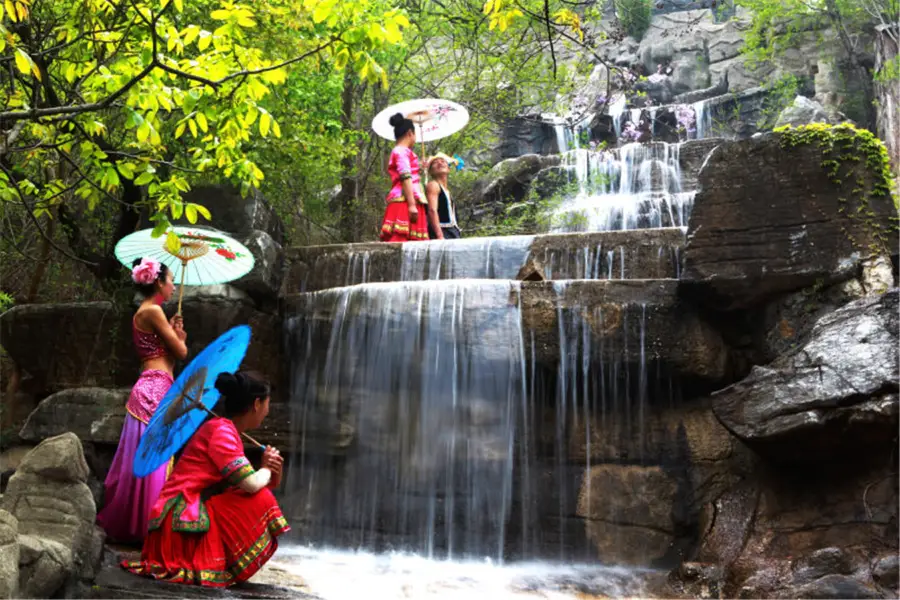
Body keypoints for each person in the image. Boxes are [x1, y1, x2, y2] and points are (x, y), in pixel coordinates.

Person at [122, 371, 289, 587]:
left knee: (255, 496)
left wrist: (272, 468)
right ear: (257, 404)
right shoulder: (222, 433)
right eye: (268, 404)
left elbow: (256, 482)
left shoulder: (225, 430)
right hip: (179, 521)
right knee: (260, 498)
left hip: (188, 513)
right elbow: (251, 484)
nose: (268, 411)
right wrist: (266, 467)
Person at [97, 257, 189, 544]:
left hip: (154, 385)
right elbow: (181, 353)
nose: (174, 286)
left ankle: (143, 522)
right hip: (156, 389)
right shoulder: (153, 312)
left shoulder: (150, 312)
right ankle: (151, 526)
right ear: (159, 283)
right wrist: (180, 337)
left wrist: (172, 332)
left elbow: (165, 352)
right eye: (171, 280)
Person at [380, 112, 429, 242]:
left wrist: (420, 165)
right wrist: (412, 205)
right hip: (406, 200)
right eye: (415, 134)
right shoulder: (401, 151)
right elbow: (405, 176)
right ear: (410, 133)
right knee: (401, 240)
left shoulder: (402, 151)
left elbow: (409, 171)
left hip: (409, 198)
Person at [425, 152, 461, 240]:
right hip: (442, 232)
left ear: (449, 169)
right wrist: (440, 236)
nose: (440, 163)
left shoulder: (447, 191)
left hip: (452, 231)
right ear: (430, 171)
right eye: (435, 162)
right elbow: (432, 210)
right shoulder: (433, 185)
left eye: (443, 161)